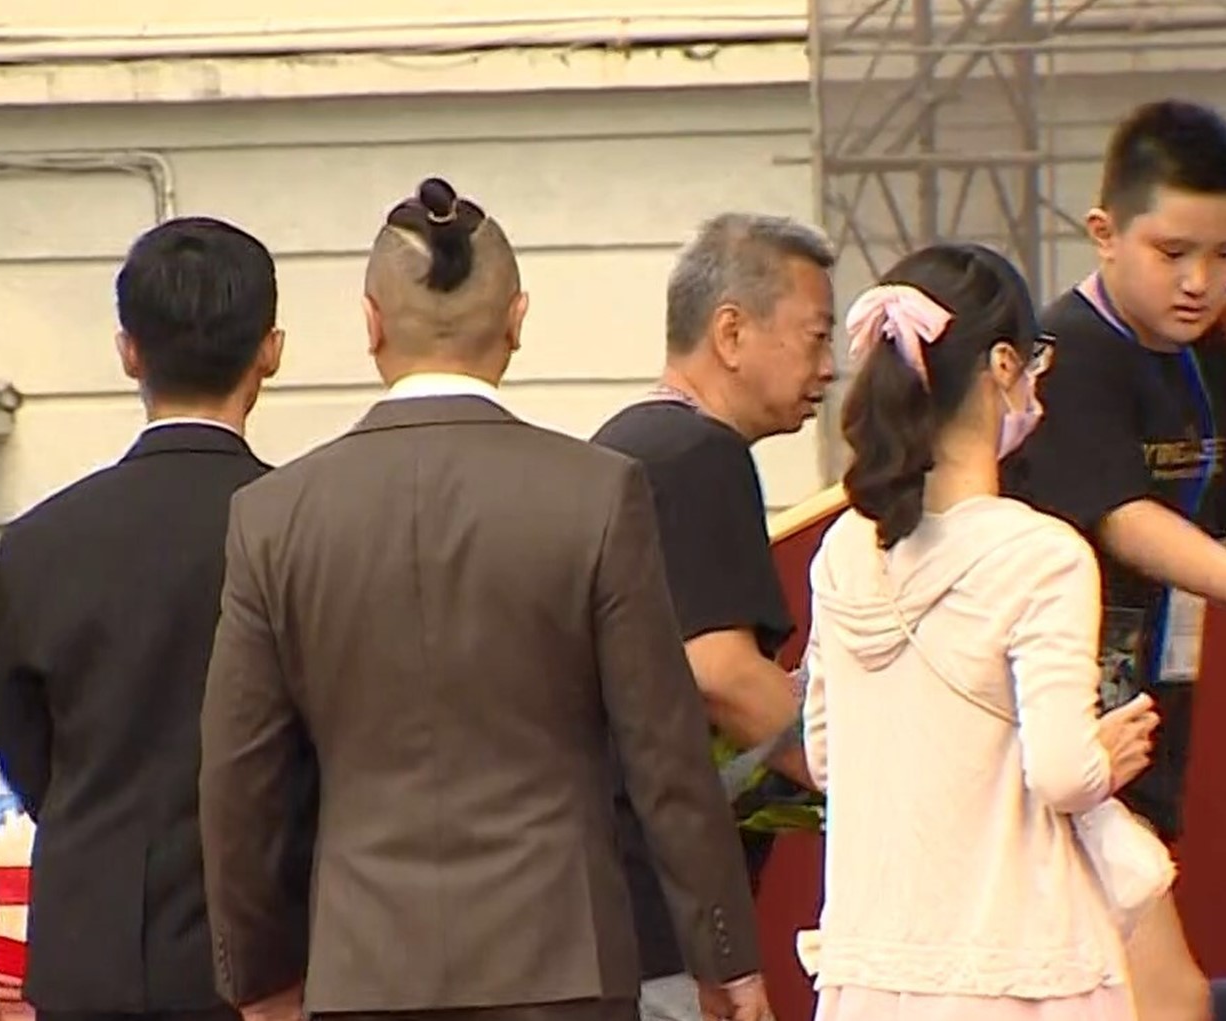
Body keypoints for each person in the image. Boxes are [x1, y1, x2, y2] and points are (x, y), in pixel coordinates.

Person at [198, 177, 769, 1021]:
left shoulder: (276, 515)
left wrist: (257, 976)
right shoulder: (596, 493)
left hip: (364, 965)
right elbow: (666, 755)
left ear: (370, 322)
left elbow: (240, 779)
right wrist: (725, 957)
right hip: (562, 963)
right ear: (516, 318)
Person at [806, 243, 1161, 1020]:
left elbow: (826, 753)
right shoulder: (1042, 555)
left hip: (872, 963)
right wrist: (1105, 754)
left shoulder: (844, 548)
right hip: (1018, 962)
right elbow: (1063, 772)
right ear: (1004, 365)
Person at [0, 216, 313, 1021]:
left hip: (88, 947)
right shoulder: (306, 526)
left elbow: (27, 753)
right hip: (264, 955)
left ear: (128, 350)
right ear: (271, 350)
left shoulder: (41, 540)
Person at [1001, 98, 1226, 1021]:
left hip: (1161, 699)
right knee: (1158, 994)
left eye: (1223, 256)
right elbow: (1125, 520)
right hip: (1067, 727)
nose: (1199, 283)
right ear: (1103, 232)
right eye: (1173, 253)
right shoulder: (1069, 357)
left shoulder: (1208, 350)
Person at [591, 213, 836, 1020]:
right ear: (730, 332)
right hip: (662, 913)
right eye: (815, 336)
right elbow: (722, 672)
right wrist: (866, 774)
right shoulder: (702, 456)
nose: (829, 368)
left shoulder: (629, 441)